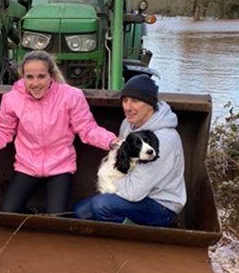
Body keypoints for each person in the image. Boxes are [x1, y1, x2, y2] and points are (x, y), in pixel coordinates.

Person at [0, 51, 119, 215]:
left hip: (60, 165)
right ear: (23, 77)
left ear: (51, 75)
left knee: (56, 218)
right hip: (27, 164)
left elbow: (87, 128)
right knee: (7, 213)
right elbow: (3, 130)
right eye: (29, 77)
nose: (35, 83)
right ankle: (32, 213)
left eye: (41, 76)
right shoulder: (12, 99)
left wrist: (111, 141)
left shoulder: (71, 96)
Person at [72, 75, 186, 226]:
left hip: (160, 206)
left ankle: (137, 233)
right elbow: (121, 162)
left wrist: (108, 180)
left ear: (150, 104)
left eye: (135, 101)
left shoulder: (163, 141)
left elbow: (133, 192)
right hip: (134, 191)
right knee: (80, 211)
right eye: (125, 100)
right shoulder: (128, 124)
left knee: (102, 205)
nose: (128, 107)